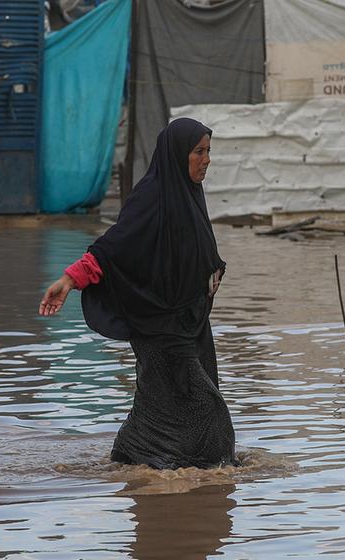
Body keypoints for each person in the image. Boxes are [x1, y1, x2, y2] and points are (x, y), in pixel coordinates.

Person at [38, 117, 236, 470]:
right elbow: (113, 249)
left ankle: (142, 467)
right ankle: (183, 471)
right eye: (198, 152)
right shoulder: (151, 199)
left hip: (189, 325)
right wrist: (70, 280)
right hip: (159, 326)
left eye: (209, 152)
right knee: (208, 410)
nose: (206, 160)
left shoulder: (190, 199)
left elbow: (193, 258)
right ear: (177, 155)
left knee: (165, 403)